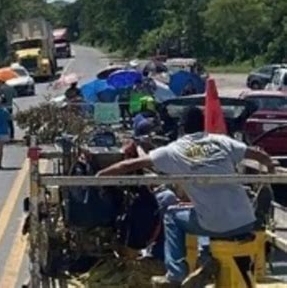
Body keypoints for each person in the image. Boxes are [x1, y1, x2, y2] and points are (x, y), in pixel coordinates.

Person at [97, 107, 274, 288]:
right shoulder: (221, 141)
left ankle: (175, 275)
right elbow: (259, 155)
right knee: (201, 212)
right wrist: (270, 169)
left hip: (214, 224)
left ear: (181, 128)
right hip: (245, 220)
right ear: (202, 124)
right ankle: (205, 259)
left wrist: (101, 174)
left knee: (173, 215)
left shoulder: (175, 149)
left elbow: (131, 164)